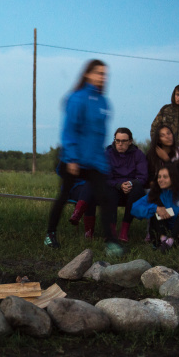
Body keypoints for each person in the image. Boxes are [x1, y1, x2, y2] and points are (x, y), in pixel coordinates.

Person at [45, 59, 122, 256]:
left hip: (94, 161)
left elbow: (99, 136)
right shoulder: (77, 98)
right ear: (87, 74)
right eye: (98, 73)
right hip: (74, 159)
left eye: (105, 74)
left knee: (106, 198)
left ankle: (111, 242)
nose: (102, 77)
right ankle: (50, 234)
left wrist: (102, 162)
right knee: (64, 195)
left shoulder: (104, 102)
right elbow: (69, 129)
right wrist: (71, 158)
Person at [132, 165, 179, 251]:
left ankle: (170, 241)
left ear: (173, 178)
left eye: (165, 177)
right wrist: (155, 208)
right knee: (155, 210)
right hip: (160, 230)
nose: (160, 180)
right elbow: (134, 208)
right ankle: (163, 241)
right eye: (159, 177)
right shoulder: (155, 193)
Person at [104, 127, 147, 242]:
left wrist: (130, 183)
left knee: (137, 189)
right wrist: (119, 185)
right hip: (115, 187)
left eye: (123, 141)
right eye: (117, 140)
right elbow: (106, 177)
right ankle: (111, 231)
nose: (120, 144)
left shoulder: (138, 154)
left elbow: (143, 177)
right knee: (109, 191)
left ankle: (124, 231)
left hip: (131, 189)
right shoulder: (108, 154)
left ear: (130, 141)